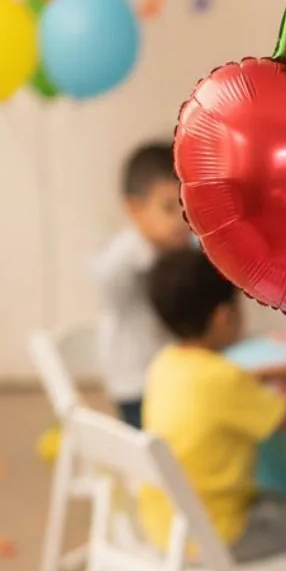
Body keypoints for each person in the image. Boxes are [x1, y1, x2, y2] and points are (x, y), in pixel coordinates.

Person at [139, 245, 286, 565]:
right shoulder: (223, 380)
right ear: (224, 317)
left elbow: (215, 389)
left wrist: (269, 373)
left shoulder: (166, 364)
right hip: (218, 534)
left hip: (165, 523)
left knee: (284, 501)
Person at [92, 143, 191, 427]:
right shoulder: (125, 256)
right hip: (136, 382)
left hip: (172, 374)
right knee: (153, 450)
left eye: (186, 206)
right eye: (169, 208)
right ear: (134, 210)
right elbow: (104, 278)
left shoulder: (181, 250)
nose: (182, 221)